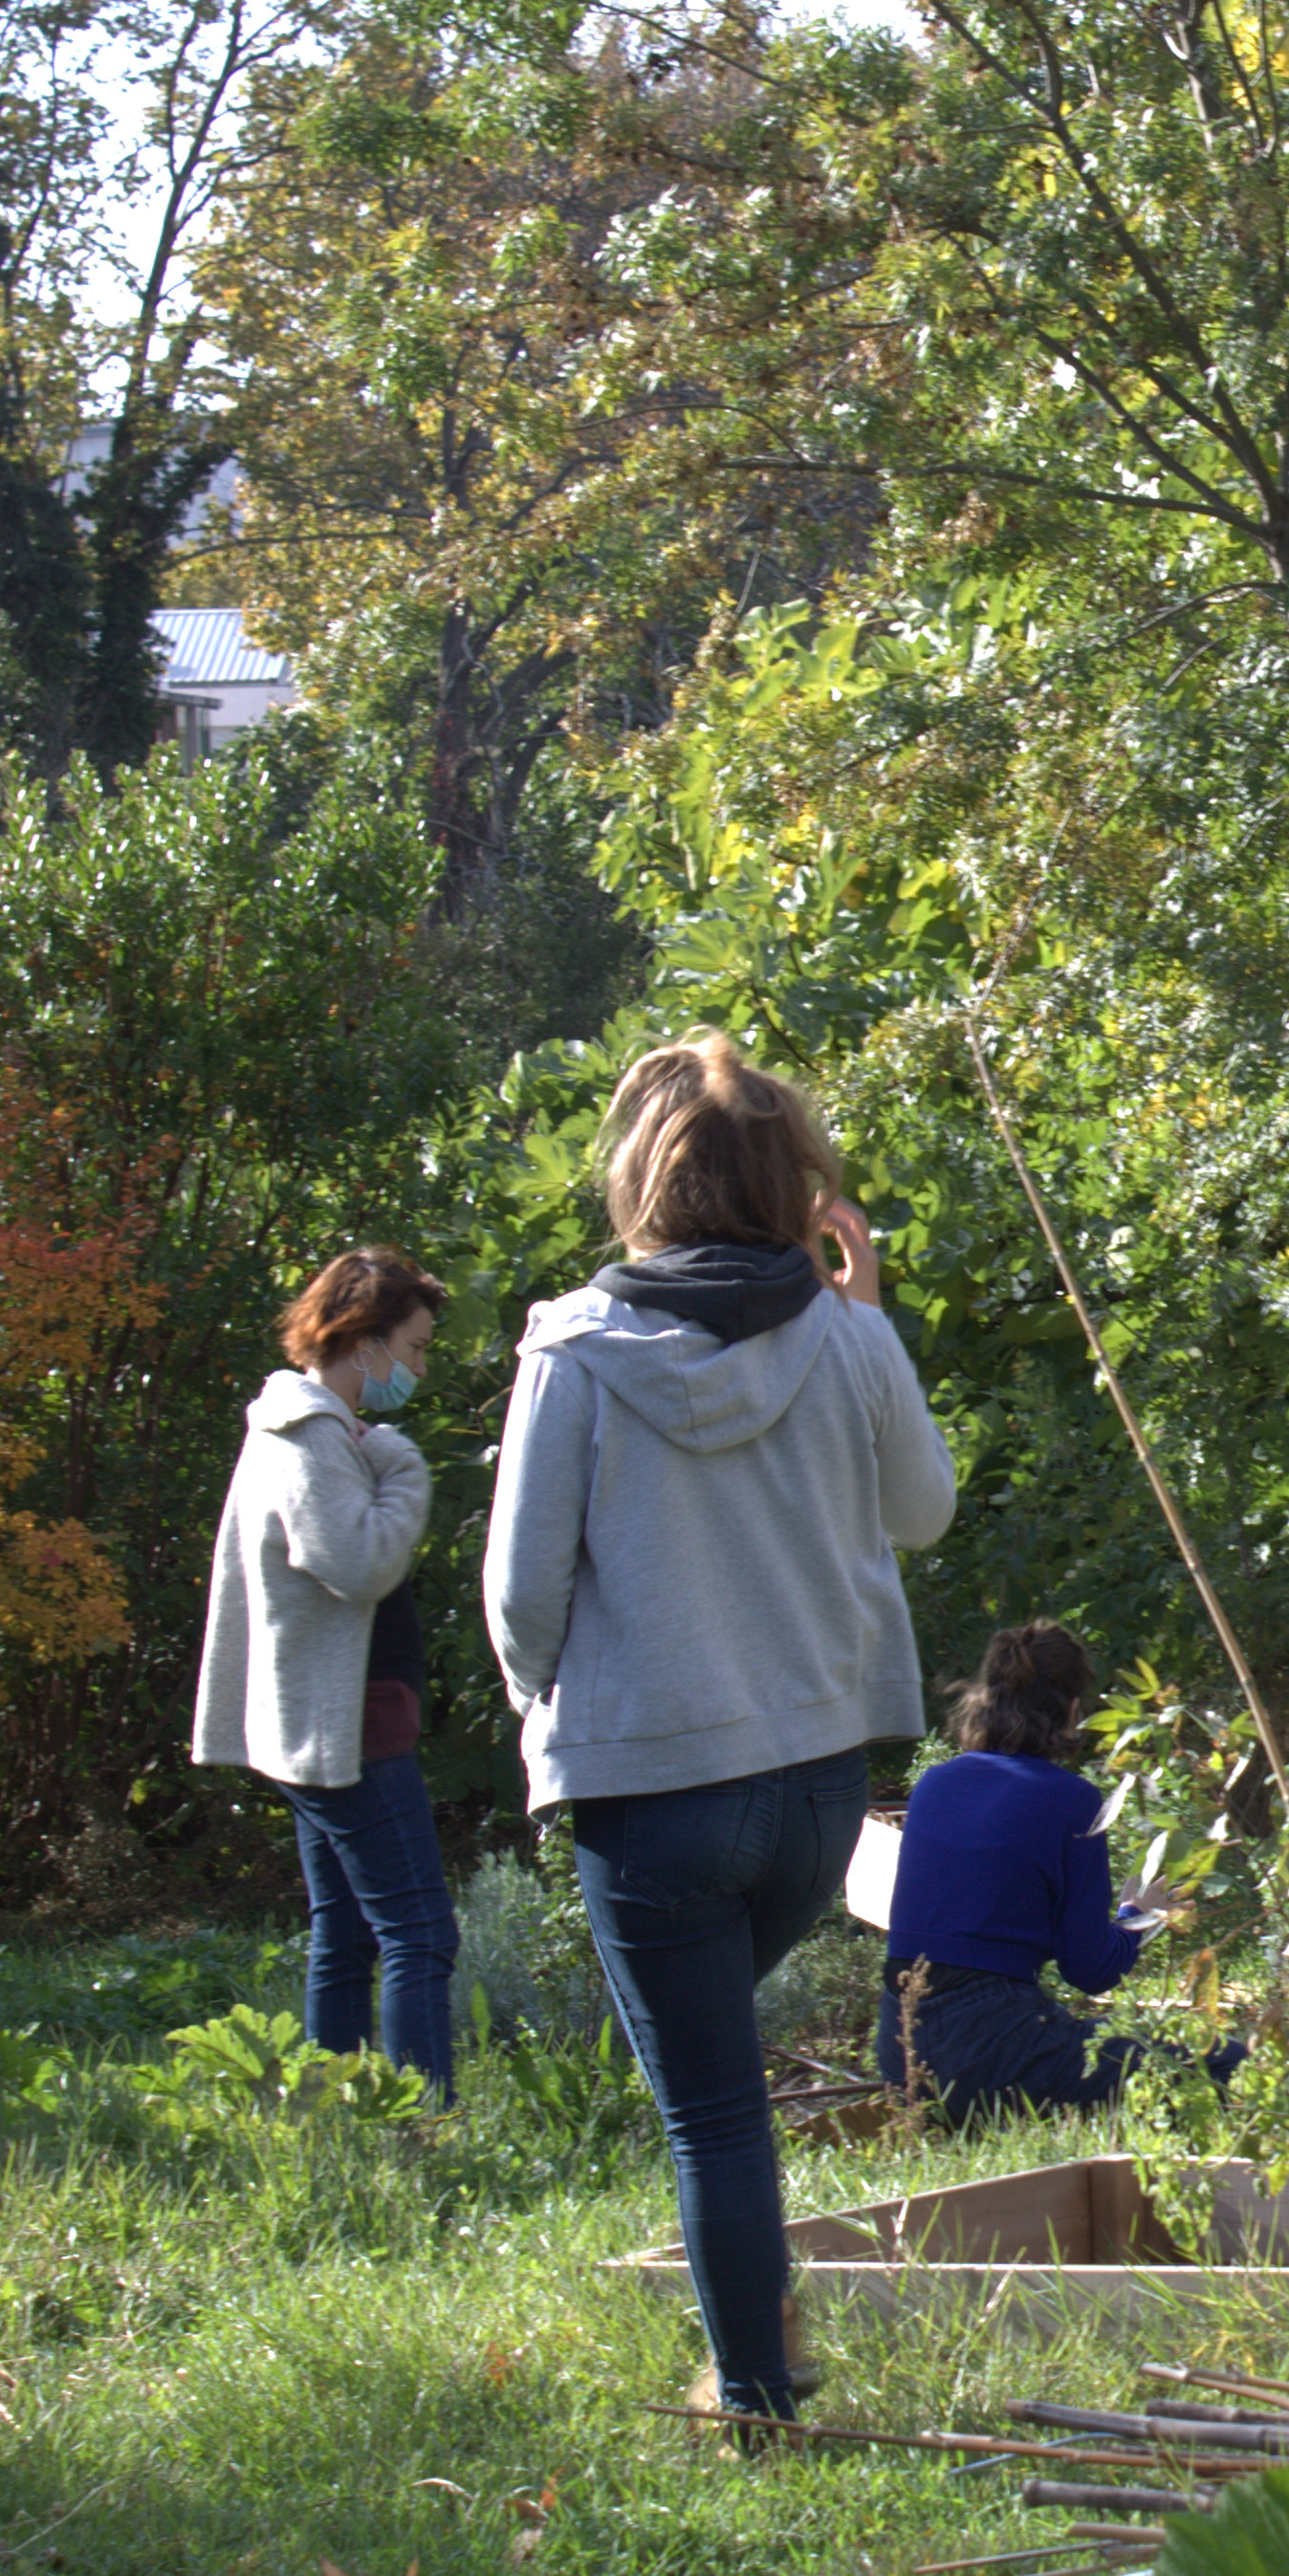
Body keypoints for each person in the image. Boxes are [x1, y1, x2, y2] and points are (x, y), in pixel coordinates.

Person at [488, 1033, 959, 2427]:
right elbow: (923, 1513)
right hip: (816, 1789)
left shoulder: (572, 1349)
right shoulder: (850, 1337)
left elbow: (520, 1591)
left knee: (710, 2108)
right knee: (709, 2072)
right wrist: (869, 1313)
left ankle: (756, 2388)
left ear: (643, 1178)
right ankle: (761, 2333)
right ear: (790, 1184)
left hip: (653, 1787)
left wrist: (545, 1711)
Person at [194, 1247, 464, 2097]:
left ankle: (329, 2115)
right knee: (420, 1932)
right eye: (413, 1347)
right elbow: (357, 1564)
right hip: (349, 1725)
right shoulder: (309, 1435)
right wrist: (405, 1471)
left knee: (344, 1935)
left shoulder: (308, 1430)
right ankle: (422, 2122)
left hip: (325, 1718)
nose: (419, 1368)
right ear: (363, 1340)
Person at [878, 1624, 1150, 2128]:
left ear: (985, 1699)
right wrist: (1138, 1919)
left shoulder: (934, 1784)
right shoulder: (1072, 1801)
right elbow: (1090, 1969)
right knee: (1208, 2062)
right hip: (991, 2051)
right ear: (1072, 1709)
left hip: (902, 2060)